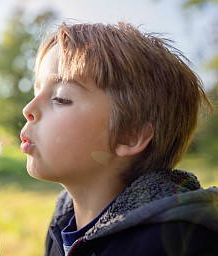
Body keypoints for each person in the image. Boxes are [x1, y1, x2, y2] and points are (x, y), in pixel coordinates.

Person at [20, 22, 218, 256]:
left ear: (129, 135)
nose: (28, 109)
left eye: (61, 98)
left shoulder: (176, 243)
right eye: (36, 92)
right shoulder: (62, 224)